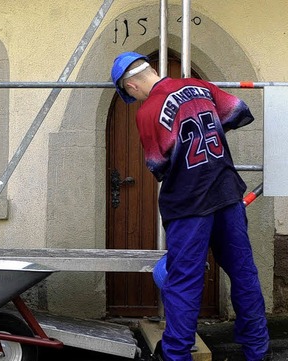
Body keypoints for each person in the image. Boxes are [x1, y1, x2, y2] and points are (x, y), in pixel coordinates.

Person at [110, 52, 269, 361]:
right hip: (226, 194)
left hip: (188, 204)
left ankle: (175, 355)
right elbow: (238, 112)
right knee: (244, 273)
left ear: (130, 86)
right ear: (151, 69)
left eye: (131, 93)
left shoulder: (147, 112)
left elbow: (158, 165)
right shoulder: (199, 86)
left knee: (184, 282)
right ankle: (258, 351)